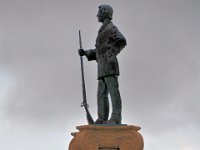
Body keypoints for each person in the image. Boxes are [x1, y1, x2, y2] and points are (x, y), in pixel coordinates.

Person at [78, 4, 126, 124]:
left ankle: (116, 117)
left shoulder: (111, 27)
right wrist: (86, 53)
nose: (97, 15)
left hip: (109, 64)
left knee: (113, 91)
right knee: (101, 93)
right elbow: (100, 50)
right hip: (102, 66)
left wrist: (111, 52)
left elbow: (122, 41)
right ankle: (102, 118)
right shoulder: (103, 29)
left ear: (105, 13)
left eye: (99, 12)